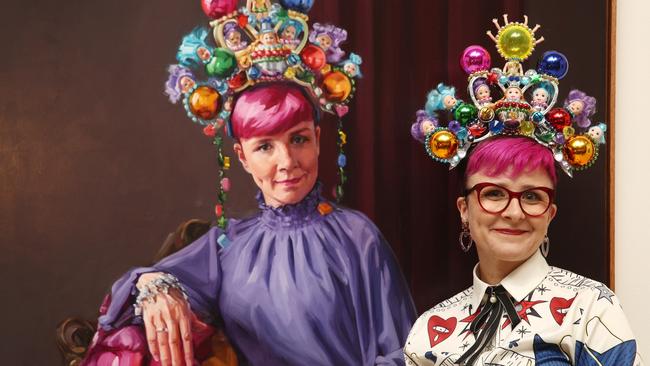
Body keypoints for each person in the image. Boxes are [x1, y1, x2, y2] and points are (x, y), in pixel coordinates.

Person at [82, 2, 415, 364]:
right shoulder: (227, 248)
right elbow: (142, 285)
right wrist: (153, 287)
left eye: (299, 139)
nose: (287, 162)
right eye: (265, 147)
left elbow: (405, 354)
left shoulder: (358, 237)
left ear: (319, 139)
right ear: (242, 157)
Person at [403, 137, 642, 365]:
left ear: (550, 215)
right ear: (464, 209)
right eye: (494, 193)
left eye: (531, 196)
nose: (515, 213)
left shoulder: (590, 307)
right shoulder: (427, 329)